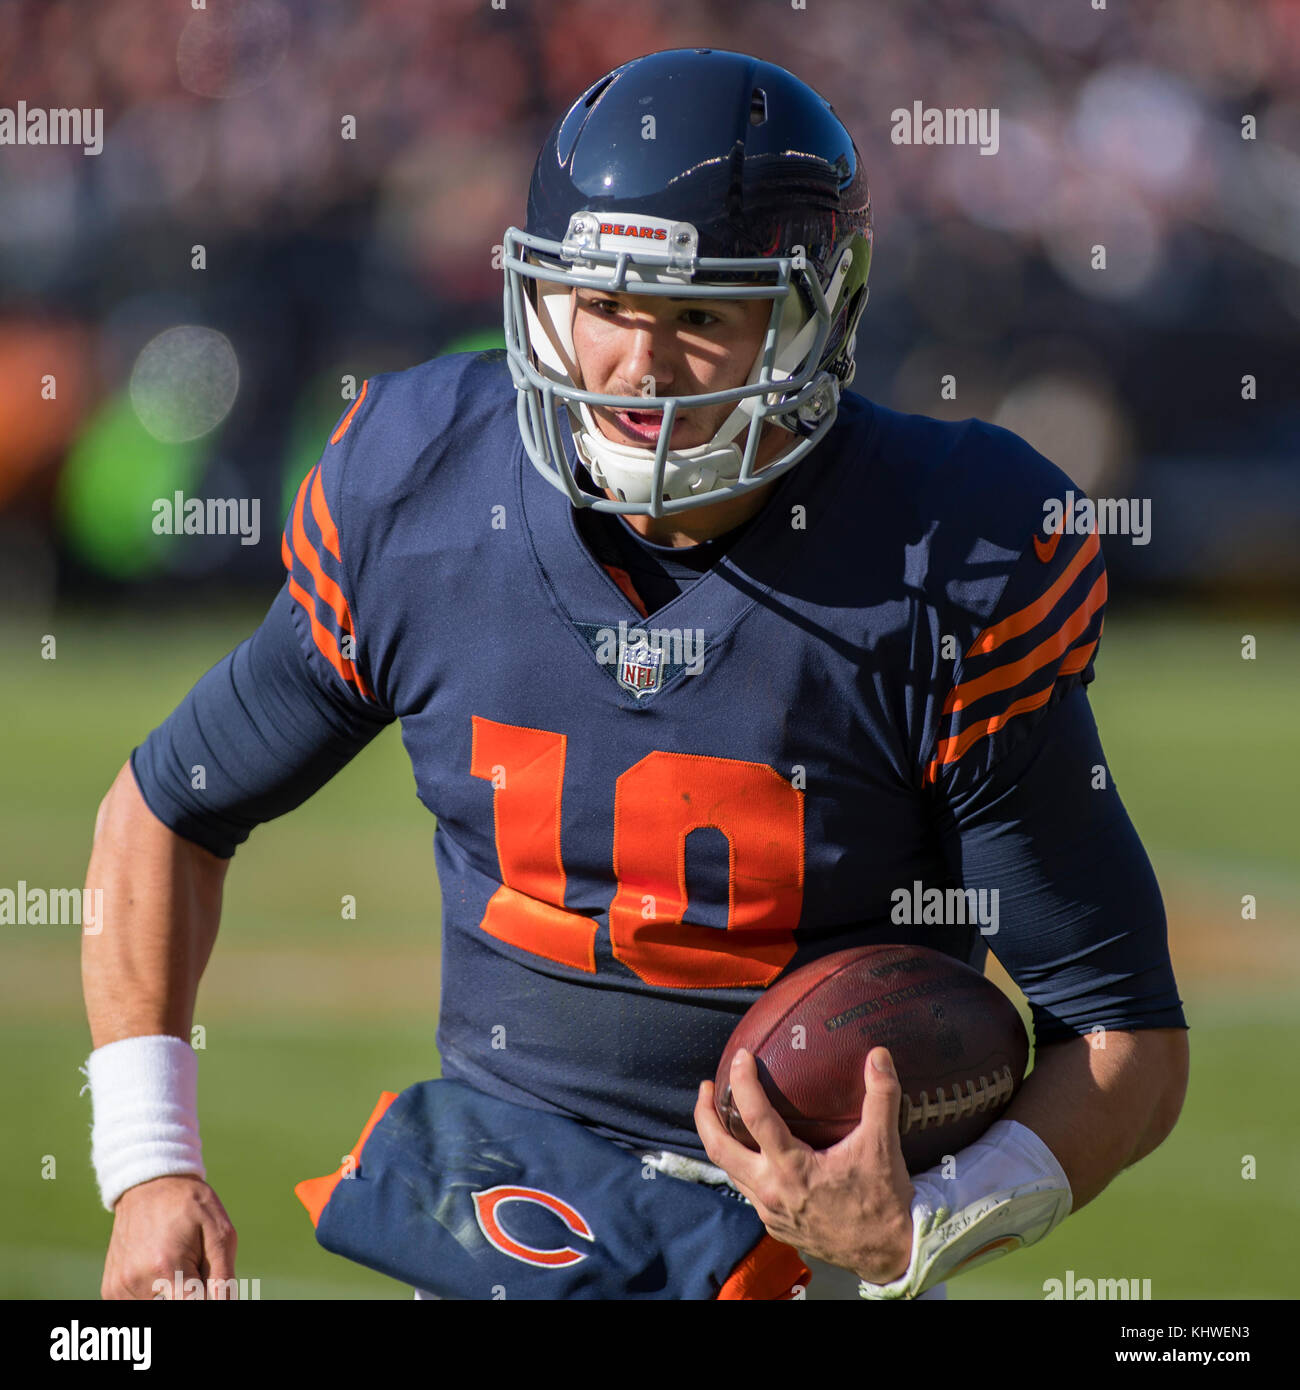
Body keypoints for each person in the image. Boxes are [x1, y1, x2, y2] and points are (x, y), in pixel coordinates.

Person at [83, 49, 1188, 1302]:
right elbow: (168, 808)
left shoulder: (944, 559)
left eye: (703, 318)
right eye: (603, 305)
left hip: (797, 1250)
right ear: (538, 298)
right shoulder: (422, 492)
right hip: (508, 1218)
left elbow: (1123, 1038)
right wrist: (149, 1161)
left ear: (816, 317)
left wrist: (928, 1215)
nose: (639, 371)